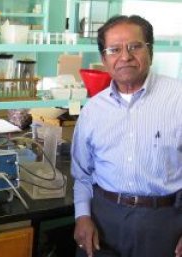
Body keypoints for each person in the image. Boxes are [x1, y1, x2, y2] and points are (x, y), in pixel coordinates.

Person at [71, 15, 182, 257]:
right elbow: (82, 174)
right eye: (114, 49)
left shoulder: (178, 99)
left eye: (134, 46)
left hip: (164, 222)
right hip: (103, 219)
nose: (125, 56)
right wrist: (82, 216)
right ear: (104, 59)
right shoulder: (92, 110)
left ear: (150, 51)